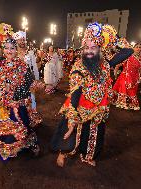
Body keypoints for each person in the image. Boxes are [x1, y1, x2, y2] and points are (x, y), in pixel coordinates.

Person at [51, 22, 133, 167]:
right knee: (69, 130)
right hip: (79, 104)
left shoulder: (106, 63)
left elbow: (128, 51)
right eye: (87, 47)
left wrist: (113, 36)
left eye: (93, 47)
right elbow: (75, 93)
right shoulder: (78, 66)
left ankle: (88, 155)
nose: (89, 51)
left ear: (100, 49)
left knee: (94, 133)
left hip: (99, 106)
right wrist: (73, 116)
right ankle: (63, 153)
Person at [0, 38, 41, 160]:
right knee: (4, 130)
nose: (9, 51)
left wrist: (39, 85)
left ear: (16, 50)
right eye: (6, 48)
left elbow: (30, 83)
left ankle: (27, 144)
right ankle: (7, 149)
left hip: (18, 103)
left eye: (12, 48)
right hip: (3, 104)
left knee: (23, 125)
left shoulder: (22, 65)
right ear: (2, 50)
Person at [112, 43, 141, 110]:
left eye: (139, 47)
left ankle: (128, 102)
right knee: (124, 87)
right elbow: (118, 65)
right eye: (137, 47)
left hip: (134, 77)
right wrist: (115, 73)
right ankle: (122, 102)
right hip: (125, 75)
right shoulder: (128, 56)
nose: (138, 48)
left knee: (131, 90)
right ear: (133, 48)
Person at [13, 31, 40, 110]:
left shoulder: (30, 53)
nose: (22, 41)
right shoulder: (13, 53)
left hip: (29, 80)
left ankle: (33, 116)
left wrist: (37, 80)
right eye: (20, 40)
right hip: (16, 81)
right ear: (16, 41)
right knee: (18, 100)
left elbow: (34, 67)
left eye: (23, 40)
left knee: (31, 99)